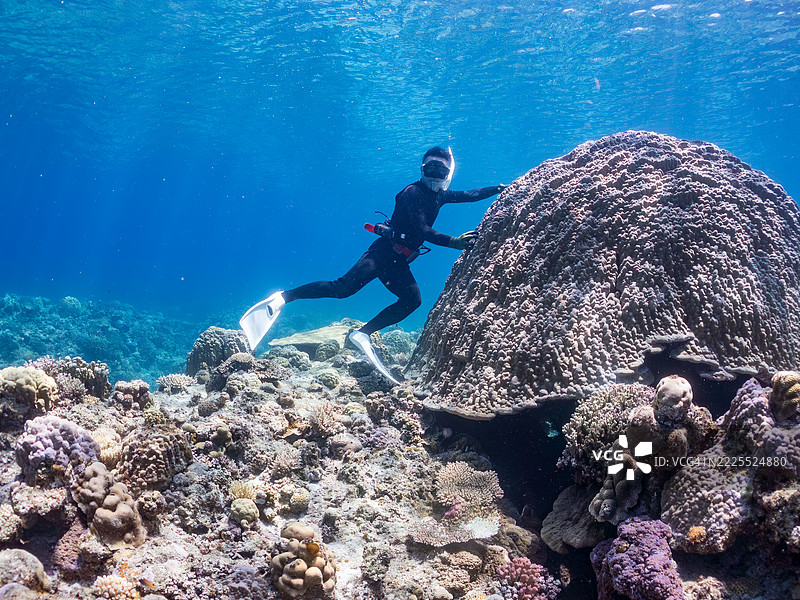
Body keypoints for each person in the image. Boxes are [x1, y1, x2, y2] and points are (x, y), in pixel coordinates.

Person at [239, 146, 506, 383]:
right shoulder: (412, 193)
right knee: (342, 289)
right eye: (430, 169)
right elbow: (423, 230)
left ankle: (363, 334)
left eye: (440, 171)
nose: (434, 176)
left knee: (412, 300)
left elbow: (470, 194)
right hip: (382, 252)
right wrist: (454, 242)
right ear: (421, 169)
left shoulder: (440, 195)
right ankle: (283, 297)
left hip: (399, 261)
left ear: (447, 174)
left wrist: (499, 189)